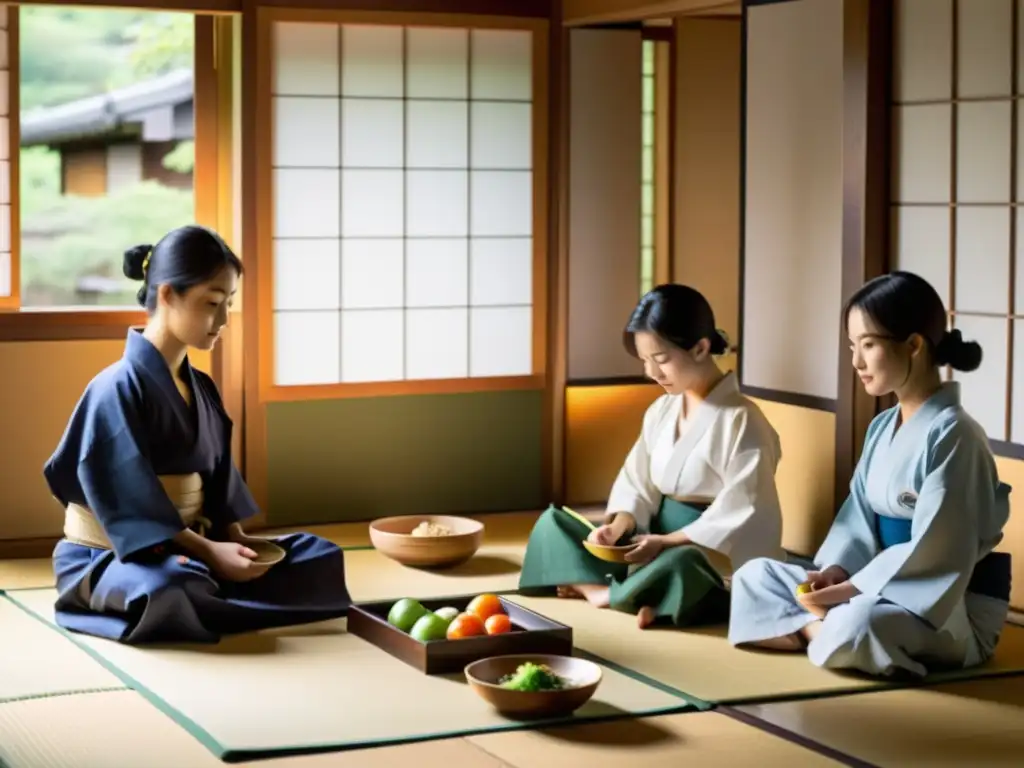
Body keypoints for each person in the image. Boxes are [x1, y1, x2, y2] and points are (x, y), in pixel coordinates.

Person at [45, 226, 352, 644]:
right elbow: (128, 500)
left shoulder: (200, 386)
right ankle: (203, 590)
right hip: (111, 555)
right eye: (212, 303)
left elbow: (218, 476)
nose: (223, 320)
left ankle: (210, 591)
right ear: (168, 295)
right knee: (170, 586)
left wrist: (234, 540)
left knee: (319, 555)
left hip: (188, 548)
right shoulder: (115, 387)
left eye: (229, 303)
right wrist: (208, 552)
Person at [727, 271, 1013, 678]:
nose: (856, 362)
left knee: (858, 621)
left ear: (913, 345)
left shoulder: (956, 434)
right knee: (753, 575)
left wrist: (849, 591)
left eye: (869, 345)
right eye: (851, 346)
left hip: (950, 605)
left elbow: (939, 548)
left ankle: (811, 630)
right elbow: (856, 517)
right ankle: (821, 632)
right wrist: (836, 572)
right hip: (874, 585)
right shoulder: (883, 426)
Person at [519, 284, 785, 629]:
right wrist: (618, 527)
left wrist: (667, 542)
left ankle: (609, 593)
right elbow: (637, 482)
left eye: (661, 360)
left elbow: (746, 508)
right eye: (645, 361)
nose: (652, 373)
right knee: (553, 524)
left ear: (701, 348)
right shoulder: (662, 410)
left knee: (684, 566)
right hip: (649, 541)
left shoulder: (742, 419)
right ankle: (629, 596)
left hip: (704, 552)